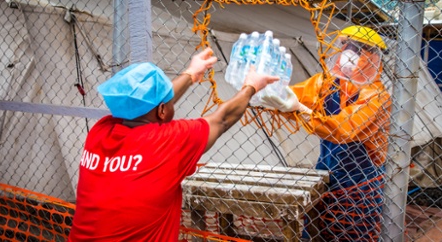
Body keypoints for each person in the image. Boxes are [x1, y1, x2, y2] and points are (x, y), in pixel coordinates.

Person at [68, 47, 279, 241]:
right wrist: (252, 86)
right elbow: (221, 120)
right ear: (161, 110)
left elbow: (145, 107)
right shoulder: (170, 140)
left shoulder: (100, 131)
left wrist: (191, 74)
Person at [261, 26, 391, 241]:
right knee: (315, 227)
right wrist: (273, 93)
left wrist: (300, 110)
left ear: (373, 58)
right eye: (346, 46)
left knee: (352, 232)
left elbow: (342, 129)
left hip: (361, 179)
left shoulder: (377, 96)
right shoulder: (328, 83)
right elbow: (297, 94)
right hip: (325, 172)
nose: (349, 53)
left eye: (359, 49)